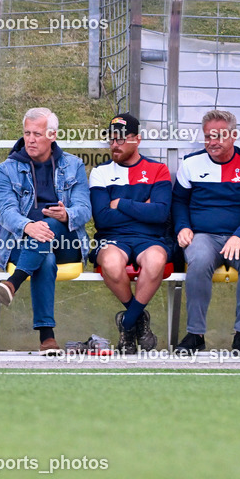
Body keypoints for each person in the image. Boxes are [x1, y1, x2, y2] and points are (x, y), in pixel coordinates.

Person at [0, 107, 92, 355]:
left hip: (67, 242)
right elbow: (7, 212)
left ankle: (13, 282)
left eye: (37, 134)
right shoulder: (6, 169)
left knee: (50, 226)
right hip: (21, 242)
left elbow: (84, 208)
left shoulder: (74, 165)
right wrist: (28, 226)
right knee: (44, 256)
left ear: (53, 135)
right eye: (27, 133)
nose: (30, 139)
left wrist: (66, 214)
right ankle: (47, 338)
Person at [172, 110, 240, 356]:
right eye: (207, 136)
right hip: (203, 236)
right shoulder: (191, 163)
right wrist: (182, 226)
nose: (212, 142)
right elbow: (179, 201)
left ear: (233, 135)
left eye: (219, 135)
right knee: (200, 259)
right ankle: (195, 334)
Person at [88, 113, 171, 354]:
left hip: (150, 238)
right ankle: (139, 320)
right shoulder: (101, 172)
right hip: (112, 237)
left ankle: (127, 324)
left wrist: (121, 203)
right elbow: (102, 218)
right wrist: (143, 207)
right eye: (111, 139)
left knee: (156, 261)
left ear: (137, 140)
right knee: (112, 264)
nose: (115, 144)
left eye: (122, 139)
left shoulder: (158, 169)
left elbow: (160, 214)